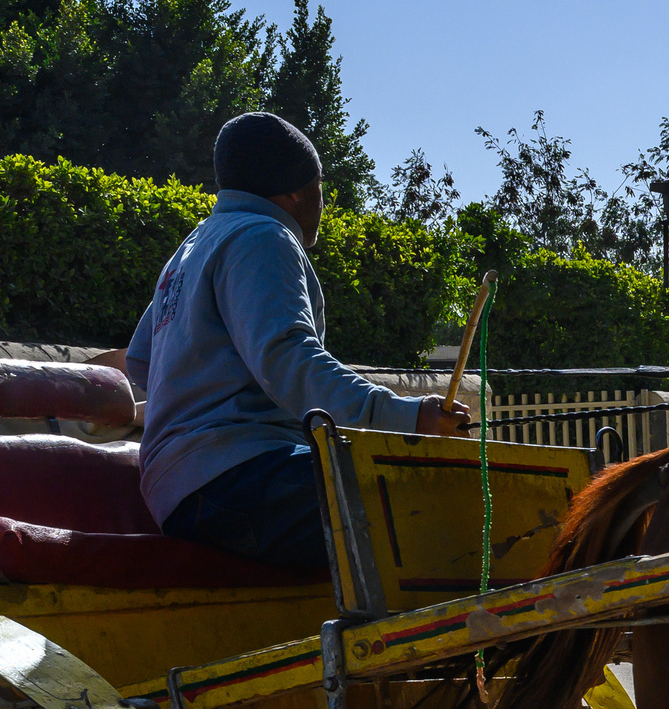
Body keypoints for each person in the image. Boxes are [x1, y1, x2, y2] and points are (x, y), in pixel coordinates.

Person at [126, 111, 473, 575]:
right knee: (432, 504)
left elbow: (140, 362)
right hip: (238, 481)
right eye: (319, 184)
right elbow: (288, 358)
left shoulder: (192, 248)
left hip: (177, 493)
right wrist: (405, 417)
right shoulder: (263, 236)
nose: (322, 201)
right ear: (294, 190)